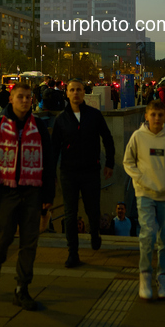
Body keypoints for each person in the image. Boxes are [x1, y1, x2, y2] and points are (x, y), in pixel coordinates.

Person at [0, 82, 55, 311]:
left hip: (32, 190)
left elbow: (49, 163)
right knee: (3, 237)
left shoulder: (40, 127)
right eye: (20, 97)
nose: (25, 100)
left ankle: (22, 289)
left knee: (29, 242)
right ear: (11, 99)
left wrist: (48, 195)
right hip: (6, 190)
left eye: (28, 97)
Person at [51, 78, 115, 268]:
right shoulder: (61, 119)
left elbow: (108, 138)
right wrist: (51, 173)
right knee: (70, 214)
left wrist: (109, 162)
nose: (76, 93)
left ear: (83, 93)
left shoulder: (94, 115)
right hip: (68, 173)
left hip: (91, 171)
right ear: (67, 93)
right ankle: (73, 253)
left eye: (79, 89)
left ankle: (95, 233)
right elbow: (54, 148)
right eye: (72, 90)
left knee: (92, 210)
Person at [124, 100, 165, 300]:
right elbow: (128, 161)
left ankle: (163, 277)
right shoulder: (137, 137)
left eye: (160, 115)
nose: (157, 119)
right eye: (153, 115)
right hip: (144, 193)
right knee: (147, 235)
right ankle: (145, 275)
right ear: (146, 116)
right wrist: (140, 179)